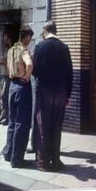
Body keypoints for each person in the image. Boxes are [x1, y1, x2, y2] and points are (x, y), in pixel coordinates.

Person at [32, 20, 73, 171]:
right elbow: (70, 73)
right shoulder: (64, 47)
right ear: (56, 31)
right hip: (61, 92)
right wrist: (67, 95)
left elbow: (35, 71)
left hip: (44, 91)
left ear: (45, 31)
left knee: (43, 126)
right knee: (56, 127)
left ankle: (43, 162)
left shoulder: (39, 46)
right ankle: (55, 161)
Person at [2, 26, 34, 168]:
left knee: (12, 122)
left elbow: (8, 68)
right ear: (26, 37)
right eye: (30, 38)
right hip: (22, 86)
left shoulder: (10, 51)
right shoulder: (23, 50)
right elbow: (30, 64)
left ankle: (8, 153)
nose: (30, 40)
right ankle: (17, 159)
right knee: (22, 123)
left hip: (12, 86)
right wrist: (27, 77)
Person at [0, 29, 13, 125]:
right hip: (3, 75)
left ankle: (5, 116)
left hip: (8, 76)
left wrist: (4, 61)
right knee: (3, 96)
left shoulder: (12, 49)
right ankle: (5, 116)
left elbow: (13, 63)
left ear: (9, 38)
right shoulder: (6, 49)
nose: (3, 38)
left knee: (5, 96)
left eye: (5, 37)